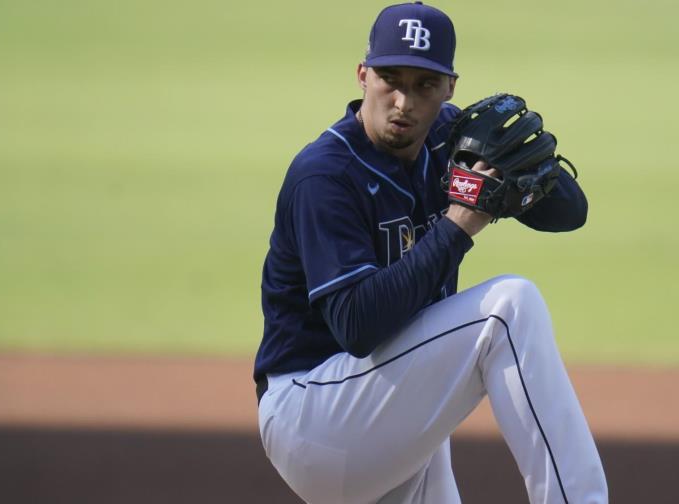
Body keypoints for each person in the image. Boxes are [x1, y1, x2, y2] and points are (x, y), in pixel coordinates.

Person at [254, 2, 608, 502]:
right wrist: (459, 222)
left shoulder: (450, 139)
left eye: (423, 85)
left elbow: (570, 214)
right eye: (390, 79)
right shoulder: (326, 174)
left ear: (449, 88)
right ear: (362, 75)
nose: (403, 102)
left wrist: (520, 168)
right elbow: (357, 326)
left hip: (382, 409)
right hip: (314, 415)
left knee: (445, 340)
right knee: (507, 309)